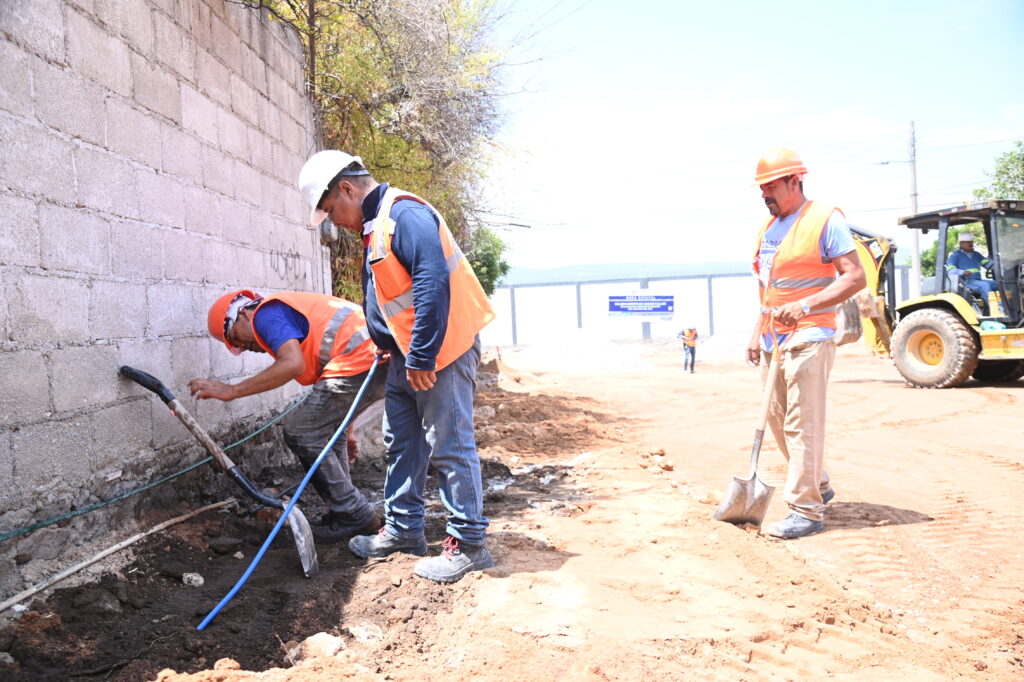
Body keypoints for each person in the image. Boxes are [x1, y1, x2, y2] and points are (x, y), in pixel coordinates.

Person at [297, 150, 496, 583]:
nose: (336, 221)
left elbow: (431, 283)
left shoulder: (404, 215)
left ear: (346, 189)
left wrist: (422, 355)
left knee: (449, 442)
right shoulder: (377, 225)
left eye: (331, 209)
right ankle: (404, 530)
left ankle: (469, 545)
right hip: (406, 354)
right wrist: (390, 346)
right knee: (401, 440)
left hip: (440, 351)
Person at [188, 289, 387, 544]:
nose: (242, 348)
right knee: (324, 433)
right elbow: (333, 399)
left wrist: (232, 390)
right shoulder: (286, 317)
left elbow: (292, 364)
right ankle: (346, 513)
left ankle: (354, 514)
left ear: (243, 314)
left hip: (364, 355)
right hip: (374, 354)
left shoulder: (266, 314)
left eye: (234, 338)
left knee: (301, 432)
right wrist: (347, 429)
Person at [746, 149, 866, 539]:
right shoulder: (769, 228)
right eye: (761, 188)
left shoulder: (825, 220)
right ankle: (818, 482)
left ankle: (806, 509)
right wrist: (757, 330)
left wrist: (806, 305)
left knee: (802, 425)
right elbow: (769, 288)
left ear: (794, 181)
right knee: (777, 420)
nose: (765, 193)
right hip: (773, 338)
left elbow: (854, 276)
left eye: (771, 186)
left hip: (810, 335)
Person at [945, 232, 998, 305]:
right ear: (961, 243)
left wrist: (1002, 265)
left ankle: (994, 307)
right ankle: (996, 308)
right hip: (965, 282)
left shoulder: (976, 255)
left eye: (971, 242)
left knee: (998, 284)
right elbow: (950, 270)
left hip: (977, 281)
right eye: (968, 242)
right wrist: (963, 272)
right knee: (985, 285)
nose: (970, 244)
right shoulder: (955, 256)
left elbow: (988, 265)